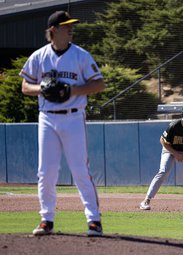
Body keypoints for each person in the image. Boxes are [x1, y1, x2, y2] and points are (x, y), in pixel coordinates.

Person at [20, 11, 105, 236]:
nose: (71, 28)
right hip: (47, 117)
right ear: (53, 30)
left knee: (79, 170)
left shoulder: (81, 55)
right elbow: (25, 86)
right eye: (66, 25)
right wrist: (42, 89)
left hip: (73, 116)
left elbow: (98, 84)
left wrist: (70, 90)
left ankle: (94, 220)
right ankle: (46, 219)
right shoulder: (39, 56)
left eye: (71, 25)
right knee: (46, 172)